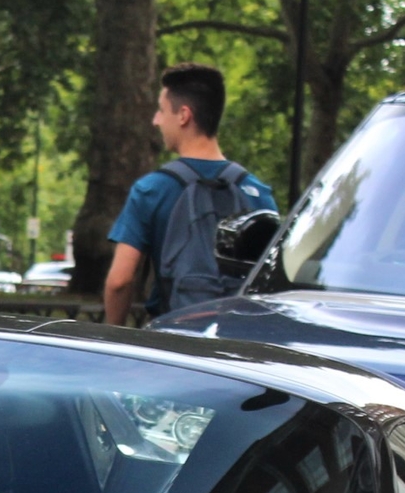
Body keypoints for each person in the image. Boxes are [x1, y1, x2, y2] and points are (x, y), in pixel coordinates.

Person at [103, 62, 277, 326]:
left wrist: (113, 335)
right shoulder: (258, 193)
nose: (156, 120)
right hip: (238, 345)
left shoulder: (152, 190)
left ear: (184, 115)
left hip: (176, 343)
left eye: (161, 111)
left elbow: (120, 281)